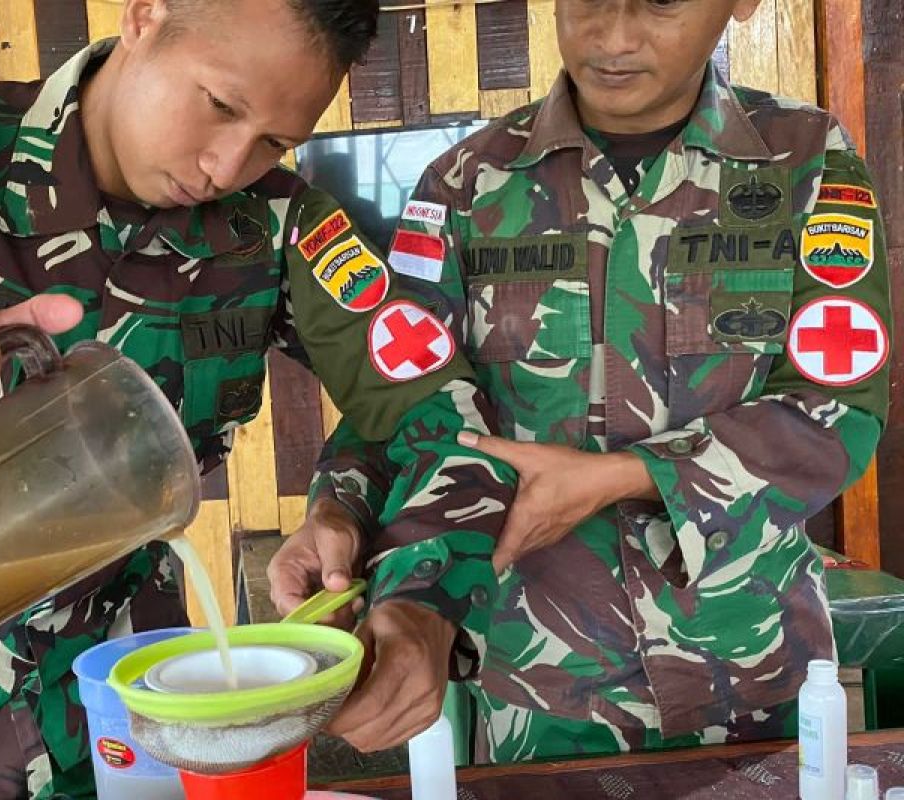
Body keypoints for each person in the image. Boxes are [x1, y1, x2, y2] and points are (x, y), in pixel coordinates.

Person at [0, 0, 514, 796]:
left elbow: (432, 410)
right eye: (220, 106)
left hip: (148, 704)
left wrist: (412, 584)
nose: (227, 168)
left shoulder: (280, 224)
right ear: (144, 16)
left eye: (275, 140)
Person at [271, 0, 891, 761]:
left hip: (750, 667)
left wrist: (622, 477)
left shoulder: (804, 159)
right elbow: (401, 400)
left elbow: (839, 407)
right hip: (538, 687)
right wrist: (340, 511)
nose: (615, 34)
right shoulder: (465, 185)